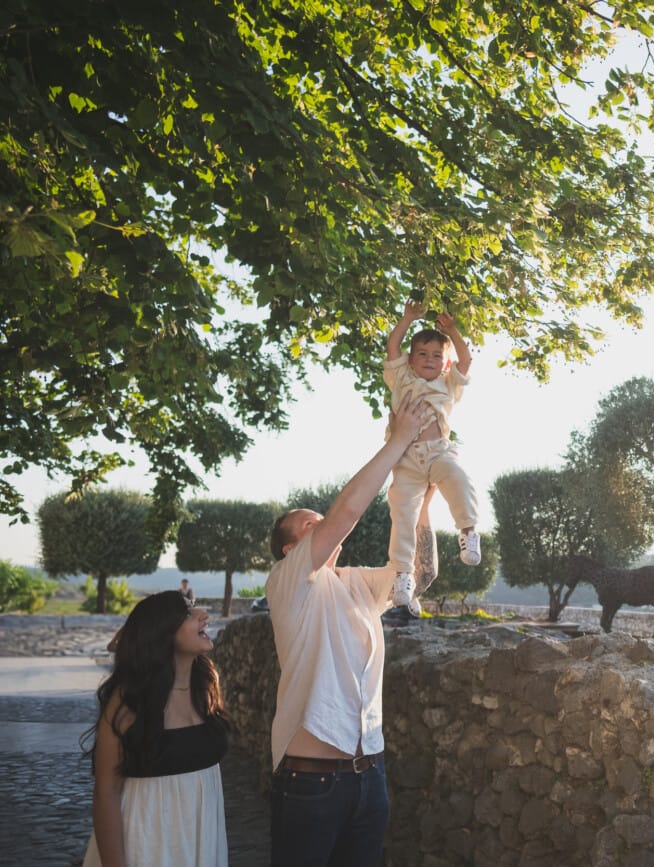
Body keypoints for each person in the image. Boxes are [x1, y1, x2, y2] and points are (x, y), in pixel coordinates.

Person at [264, 392, 438, 867]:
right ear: (290, 550)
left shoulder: (355, 583)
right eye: (308, 524)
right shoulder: (287, 581)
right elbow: (346, 513)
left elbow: (419, 574)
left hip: (370, 778)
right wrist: (399, 439)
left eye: (318, 518)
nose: (321, 522)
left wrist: (421, 498)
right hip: (311, 782)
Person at [81, 591, 230, 867]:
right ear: (162, 631)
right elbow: (106, 792)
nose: (204, 615)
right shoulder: (130, 701)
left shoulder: (205, 689)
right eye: (188, 613)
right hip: (144, 846)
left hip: (202, 844)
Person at [383, 300, 481, 617]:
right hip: (407, 458)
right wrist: (407, 319)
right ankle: (402, 574)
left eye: (437, 355)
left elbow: (466, 359)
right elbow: (393, 346)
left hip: (438, 451)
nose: (429, 359)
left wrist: (451, 330)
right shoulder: (402, 379)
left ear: (445, 362)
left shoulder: (448, 383)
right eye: (422, 354)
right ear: (411, 360)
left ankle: (468, 531)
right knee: (403, 513)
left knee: (459, 478)